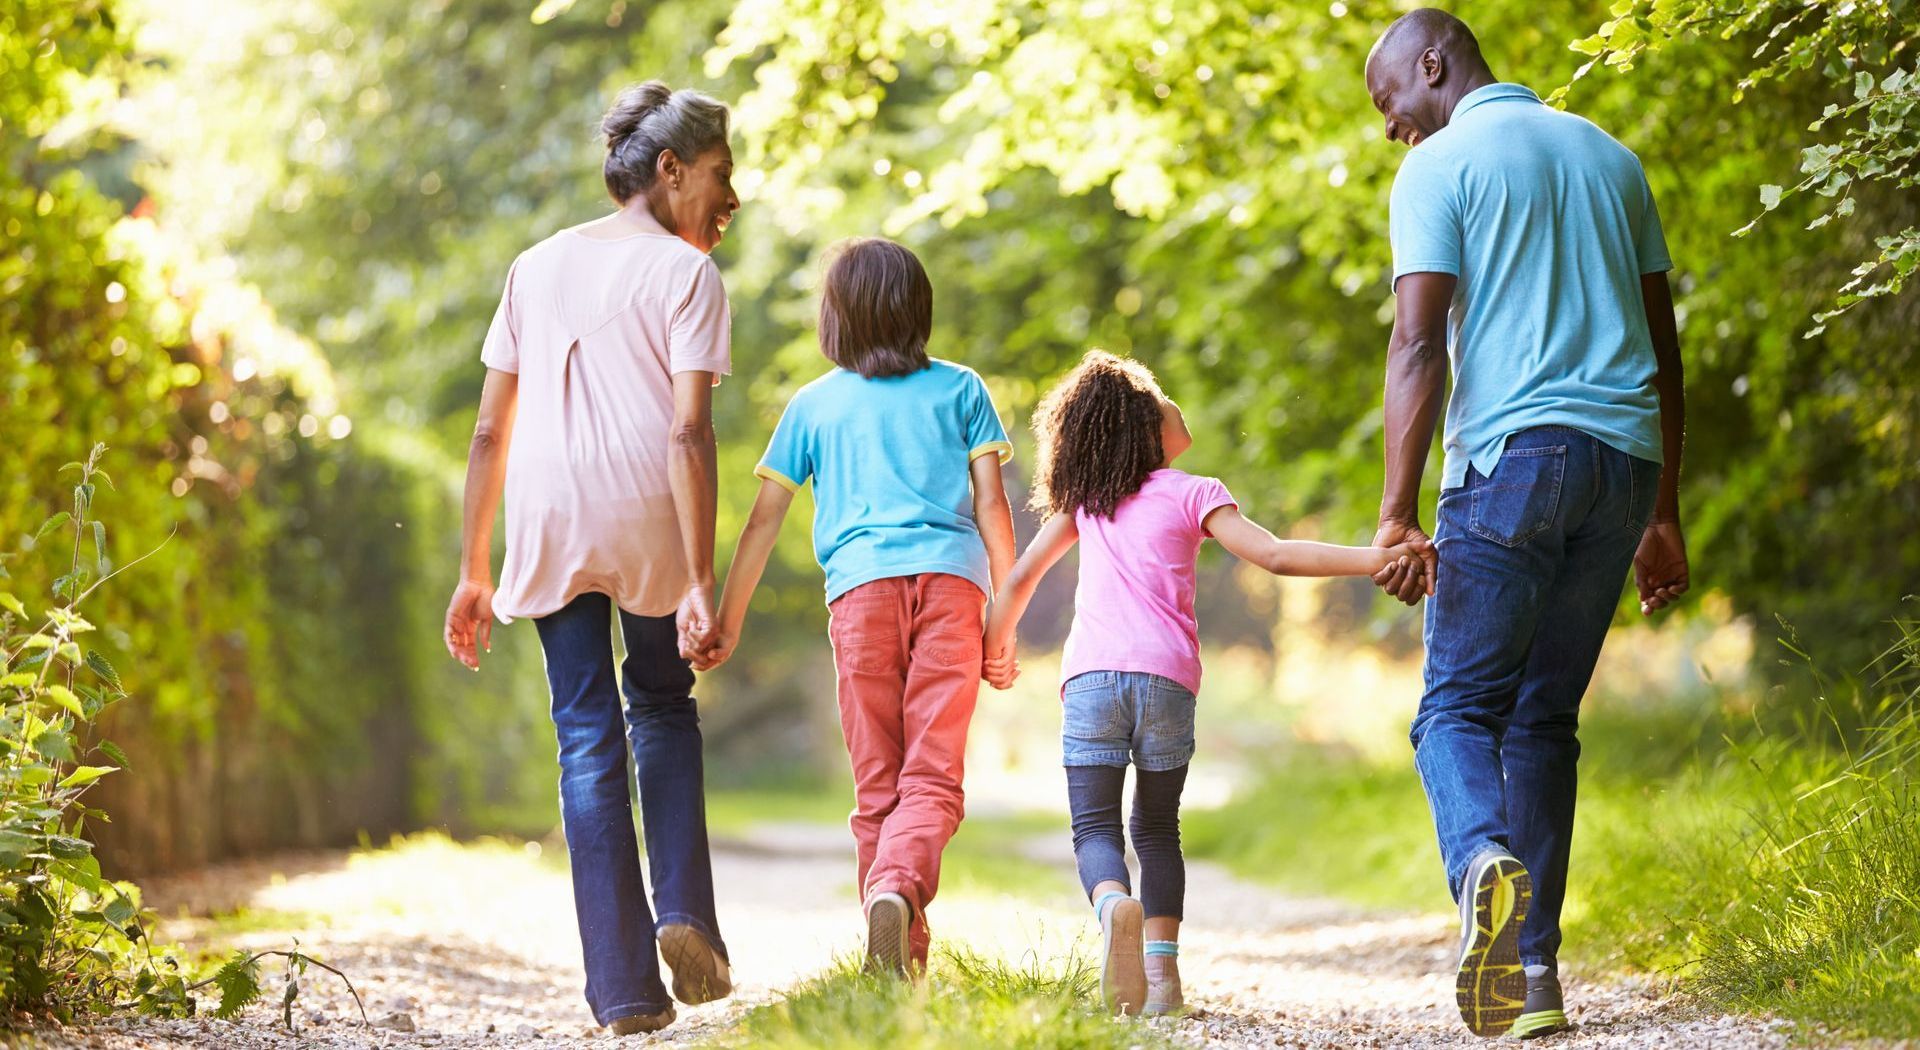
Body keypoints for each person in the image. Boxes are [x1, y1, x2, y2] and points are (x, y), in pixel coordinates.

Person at [1363, 9, 1690, 1039]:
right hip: (1623, 468)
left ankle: (1480, 864)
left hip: (1511, 461)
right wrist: (1665, 509)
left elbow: (1416, 346)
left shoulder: (1438, 168)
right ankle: (1532, 979)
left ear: (1432, 64)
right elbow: (1663, 345)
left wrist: (1392, 512)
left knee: (1453, 710)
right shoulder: (1611, 156)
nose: (1389, 128)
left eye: (1389, 102)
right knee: (1543, 717)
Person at [980, 350, 1427, 1016]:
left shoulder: (1086, 507)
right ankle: (1163, 983)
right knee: (1158, 830)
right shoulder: (1195, 492)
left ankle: (1112, 907)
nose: (1171, 404)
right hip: (1167, 681)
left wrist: (996, 647)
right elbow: (1275, 555)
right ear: (1145, 426)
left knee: (1094, 827)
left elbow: (1018, 580)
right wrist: (1378, 559)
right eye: (1158, 397)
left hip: (1093, 679)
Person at [442, 81, 741, 1036]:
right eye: (720, 179)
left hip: (545, 513)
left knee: (584, 734)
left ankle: (620, 990)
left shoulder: (534, 265)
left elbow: (490, 432)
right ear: (670, 169)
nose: (729, 202)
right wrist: (700, 579)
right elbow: (689, 435)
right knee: (660, 701)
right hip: (644, 509)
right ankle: (686, 912)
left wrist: (474, 568)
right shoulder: (687, 277)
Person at [687, 237, 1018, 976]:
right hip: (953, 588)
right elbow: (995, 511)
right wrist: (1005, 619)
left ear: (834, 320)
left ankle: (894, 958)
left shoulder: (813, 404)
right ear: (918, 310)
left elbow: (764, 519)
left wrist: (727, 619)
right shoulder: (962, 388)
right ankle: (897, 906)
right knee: (932, 779)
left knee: (879, 785)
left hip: (860, 595)